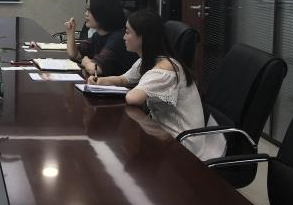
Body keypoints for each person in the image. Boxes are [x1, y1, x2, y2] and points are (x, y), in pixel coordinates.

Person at [88, 10, 225, 161]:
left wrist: (128, 88)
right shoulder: (148, 60)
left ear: (143, 37)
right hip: (163, 133)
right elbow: (123, 79)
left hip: (183, 144)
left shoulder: (165, 69)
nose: (124, 37)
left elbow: (133, 98)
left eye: (128, 32)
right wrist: (100, 81)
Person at [65, 0, 136, 77]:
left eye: (90, 10)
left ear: (103, 13)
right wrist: (70, 33)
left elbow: (95, 69)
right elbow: (74, 55)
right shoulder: (99, 35)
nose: (86, 14)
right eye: (87, 10)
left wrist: (86, 62)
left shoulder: (118, 38)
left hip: (121, 85)